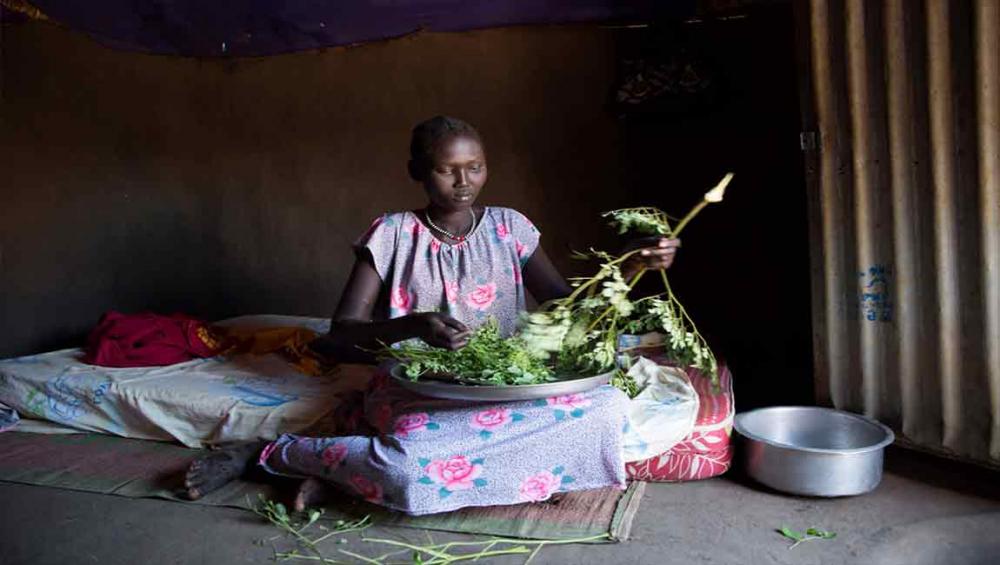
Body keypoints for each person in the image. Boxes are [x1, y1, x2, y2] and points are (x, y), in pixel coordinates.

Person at [184, 116, 680, 515]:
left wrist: (629, 265)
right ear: (417, 172)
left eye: (476, 166)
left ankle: (347, 473)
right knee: (410, 468)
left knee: (607, 410)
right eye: (448, 169)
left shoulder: (511, 228)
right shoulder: (392, 234)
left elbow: (565, 306)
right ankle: (271, 456)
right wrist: (414, 325)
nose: (464, 182)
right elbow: (336, 339)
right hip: (418, 389)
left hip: (509, 385)